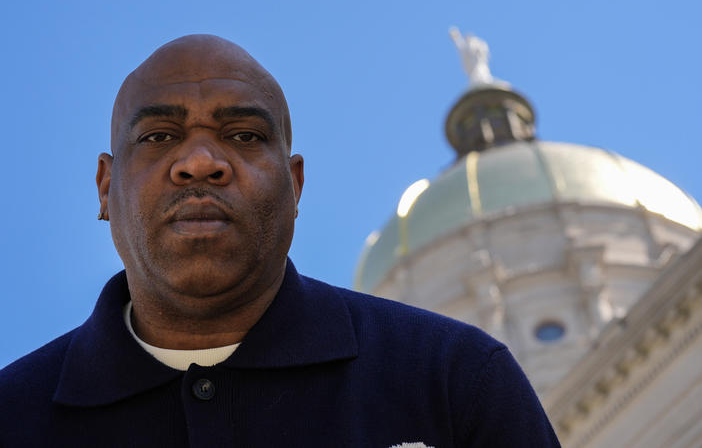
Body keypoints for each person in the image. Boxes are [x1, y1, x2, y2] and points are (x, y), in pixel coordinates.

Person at [0, 35, 560, 447]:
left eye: (243, 135)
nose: (199, 161)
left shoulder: (453, 377)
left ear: (294, 186)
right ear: (105, 187)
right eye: (159, 136)